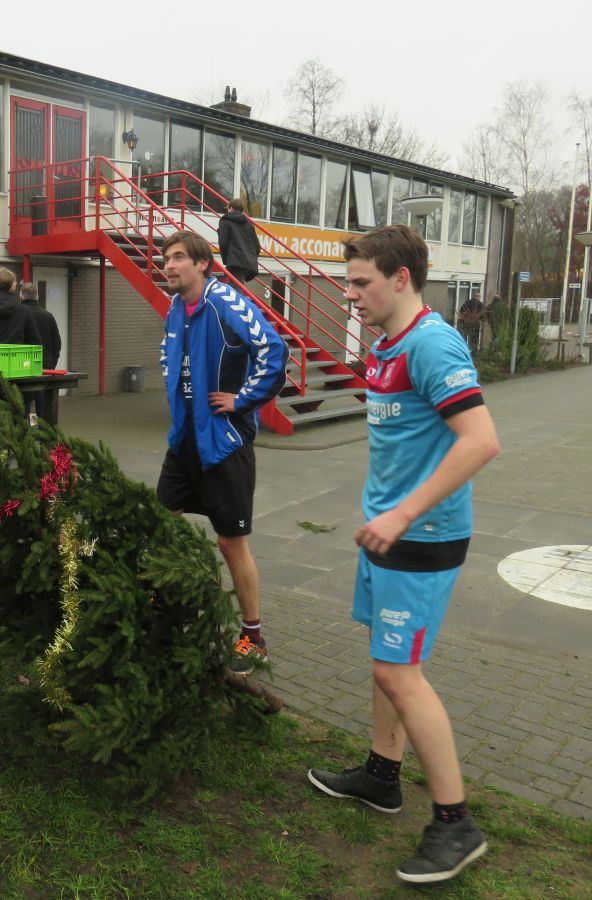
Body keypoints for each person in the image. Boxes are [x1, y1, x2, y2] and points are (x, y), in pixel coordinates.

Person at [307, 225, 499, 885]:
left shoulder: (431, 344)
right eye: (349, 283)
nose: (350, 294)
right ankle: (381, 774)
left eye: (361, 282)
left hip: (422, 537)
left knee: (400, 674)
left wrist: (403, 512)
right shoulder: (387, 344)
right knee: (387, 663)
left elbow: (480, 441)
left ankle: (456, 825)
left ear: (401, 278)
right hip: (386, 534)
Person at [156, 231, 287, 674]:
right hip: (183, 442)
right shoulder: (175, 308)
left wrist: (242, 400)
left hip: (224, 444)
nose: (169, 265)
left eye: (178, 257)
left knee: (231, 542)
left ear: (201, 264)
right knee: (159, 523)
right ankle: (172, 606)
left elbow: (274, 350)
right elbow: (167, 355)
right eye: (166, 258)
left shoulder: (226, 301)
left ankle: (253, 637)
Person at [19, 281, 61, 423]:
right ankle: (43, 432)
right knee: (43, 406)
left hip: (23, 366)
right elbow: (57, 342)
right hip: (45, 367)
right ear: (37, 296)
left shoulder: (17, 315)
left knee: (24, 405)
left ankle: (24, 432)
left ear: (21, 296)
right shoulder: (47, 316)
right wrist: (52, 363)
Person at [217, 197, 261, 286]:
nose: (227, 210)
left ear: (231, 208)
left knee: (234, 289)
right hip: (248, 263)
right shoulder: (249, 224)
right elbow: (257, 247)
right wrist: (250, 257)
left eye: (228, 208)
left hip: (234, 261)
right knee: (236, 286)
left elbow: (223, 243)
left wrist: (226, 260)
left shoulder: (225, 221)